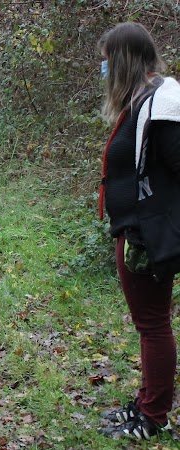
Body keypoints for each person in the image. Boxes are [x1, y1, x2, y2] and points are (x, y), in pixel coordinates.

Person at [97, 22, 180, 439]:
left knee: (153, 324)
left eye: (108, 61)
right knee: (149, 323)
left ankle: (153, 416)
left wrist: (159, 224)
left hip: (148, 236)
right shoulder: (145, 99)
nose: (103, 69)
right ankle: (147, 403)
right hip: (134, 231)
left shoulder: (164, 106)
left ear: (124, 60)